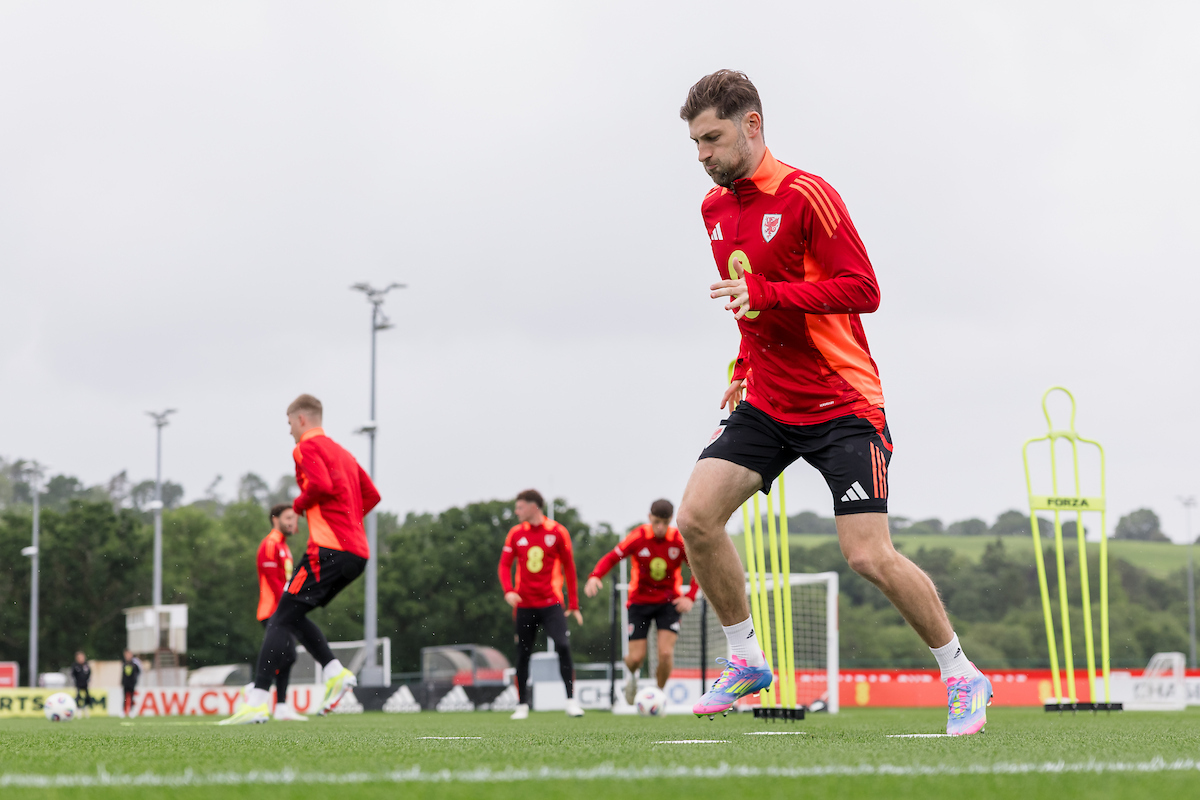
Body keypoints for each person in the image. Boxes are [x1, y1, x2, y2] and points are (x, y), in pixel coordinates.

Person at [676, 70, 992, 734]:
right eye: (695, 143)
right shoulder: (713, 210)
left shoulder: (807, 196)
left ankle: (962, 673)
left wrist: (769, 295)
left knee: (868, 556)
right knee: (696, 519)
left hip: (842, 403)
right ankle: (746, 660)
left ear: (752, 125)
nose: (702, 154)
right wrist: (743, 364)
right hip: (769, 401)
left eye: (712, 138)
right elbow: (747, 302)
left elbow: (863, 288)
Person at [221, 394, 381, 725]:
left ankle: (257, 701)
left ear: (301, 419)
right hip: (357, 554)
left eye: (289, 423)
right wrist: (348, 523)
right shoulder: (344, 453)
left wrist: (298, 505)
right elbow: (372, 495)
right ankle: (334, 672)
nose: (289, 430)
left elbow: (320, 485)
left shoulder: (306, 447)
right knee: (292, 615)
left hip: (328, 550)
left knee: (279, 619)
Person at [584, 499, 697, 706]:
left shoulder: (678, 540)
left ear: (671, 520)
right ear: (649, 517)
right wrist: (595, 576)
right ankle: (632, 677)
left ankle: (657, 696)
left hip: (669, 603)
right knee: (636, 658)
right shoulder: (638, 537)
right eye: (656, 522)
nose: (660, 527)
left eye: (665, 522)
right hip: (640, 602)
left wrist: (690, 596)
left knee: (665, 653)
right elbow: (612, 557)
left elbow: (699, 567)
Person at [498, 489, 583, 720]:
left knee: (563, 646)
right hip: (524, 604)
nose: (517, 512)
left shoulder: (557, 531)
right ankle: (522, 705)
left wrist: (574, 603)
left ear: (533, 506)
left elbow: (569, 567)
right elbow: (504, 565)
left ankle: (571, 701)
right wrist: (508, 591)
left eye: (520, 507)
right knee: (523, 653)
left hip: (551, 603)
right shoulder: (516, 533)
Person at [249, 503, 306, 721]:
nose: (292, 522)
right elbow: (273, 583)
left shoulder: (284, 546)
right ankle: (256, 690)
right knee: (285, 654)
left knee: (288, 656)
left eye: (294, 518)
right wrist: (287, 606)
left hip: (284, 610)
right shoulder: (270, 544)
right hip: (272, 611)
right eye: (288, 518)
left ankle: (280, 705)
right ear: (275, 519)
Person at [71, 651, 92, 718]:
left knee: (87, 697)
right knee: (78, 698)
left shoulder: (86, 665)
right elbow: (73, 675)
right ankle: (78, 711)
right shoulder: (75, 666)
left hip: (85, 684)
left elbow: (89, 673)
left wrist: (87, 680)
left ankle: (86, 710)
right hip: (78, 684)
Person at [120, 649, 140, 717]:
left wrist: (135, 680)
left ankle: (131, 711)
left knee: (131, 698)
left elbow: (138, 672)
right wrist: (122, 681)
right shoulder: (124, 664)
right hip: (125, 683)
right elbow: (123, 674)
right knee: (124, 698)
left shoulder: (134, 664)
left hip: (132, 683)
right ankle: (124, 711)